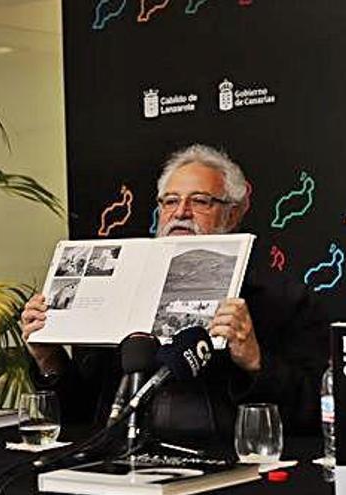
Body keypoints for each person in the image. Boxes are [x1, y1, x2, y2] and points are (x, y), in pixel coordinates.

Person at [20, 144, 328, 443]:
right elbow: (81, 416)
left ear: (233, 214)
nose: (181, 212)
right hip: (123, 465)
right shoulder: (123, 286)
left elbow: (316, 410)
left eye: (200, 201)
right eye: (170, 201)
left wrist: (255, 361)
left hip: (230, 465)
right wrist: (49, 359)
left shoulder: (288, 301)